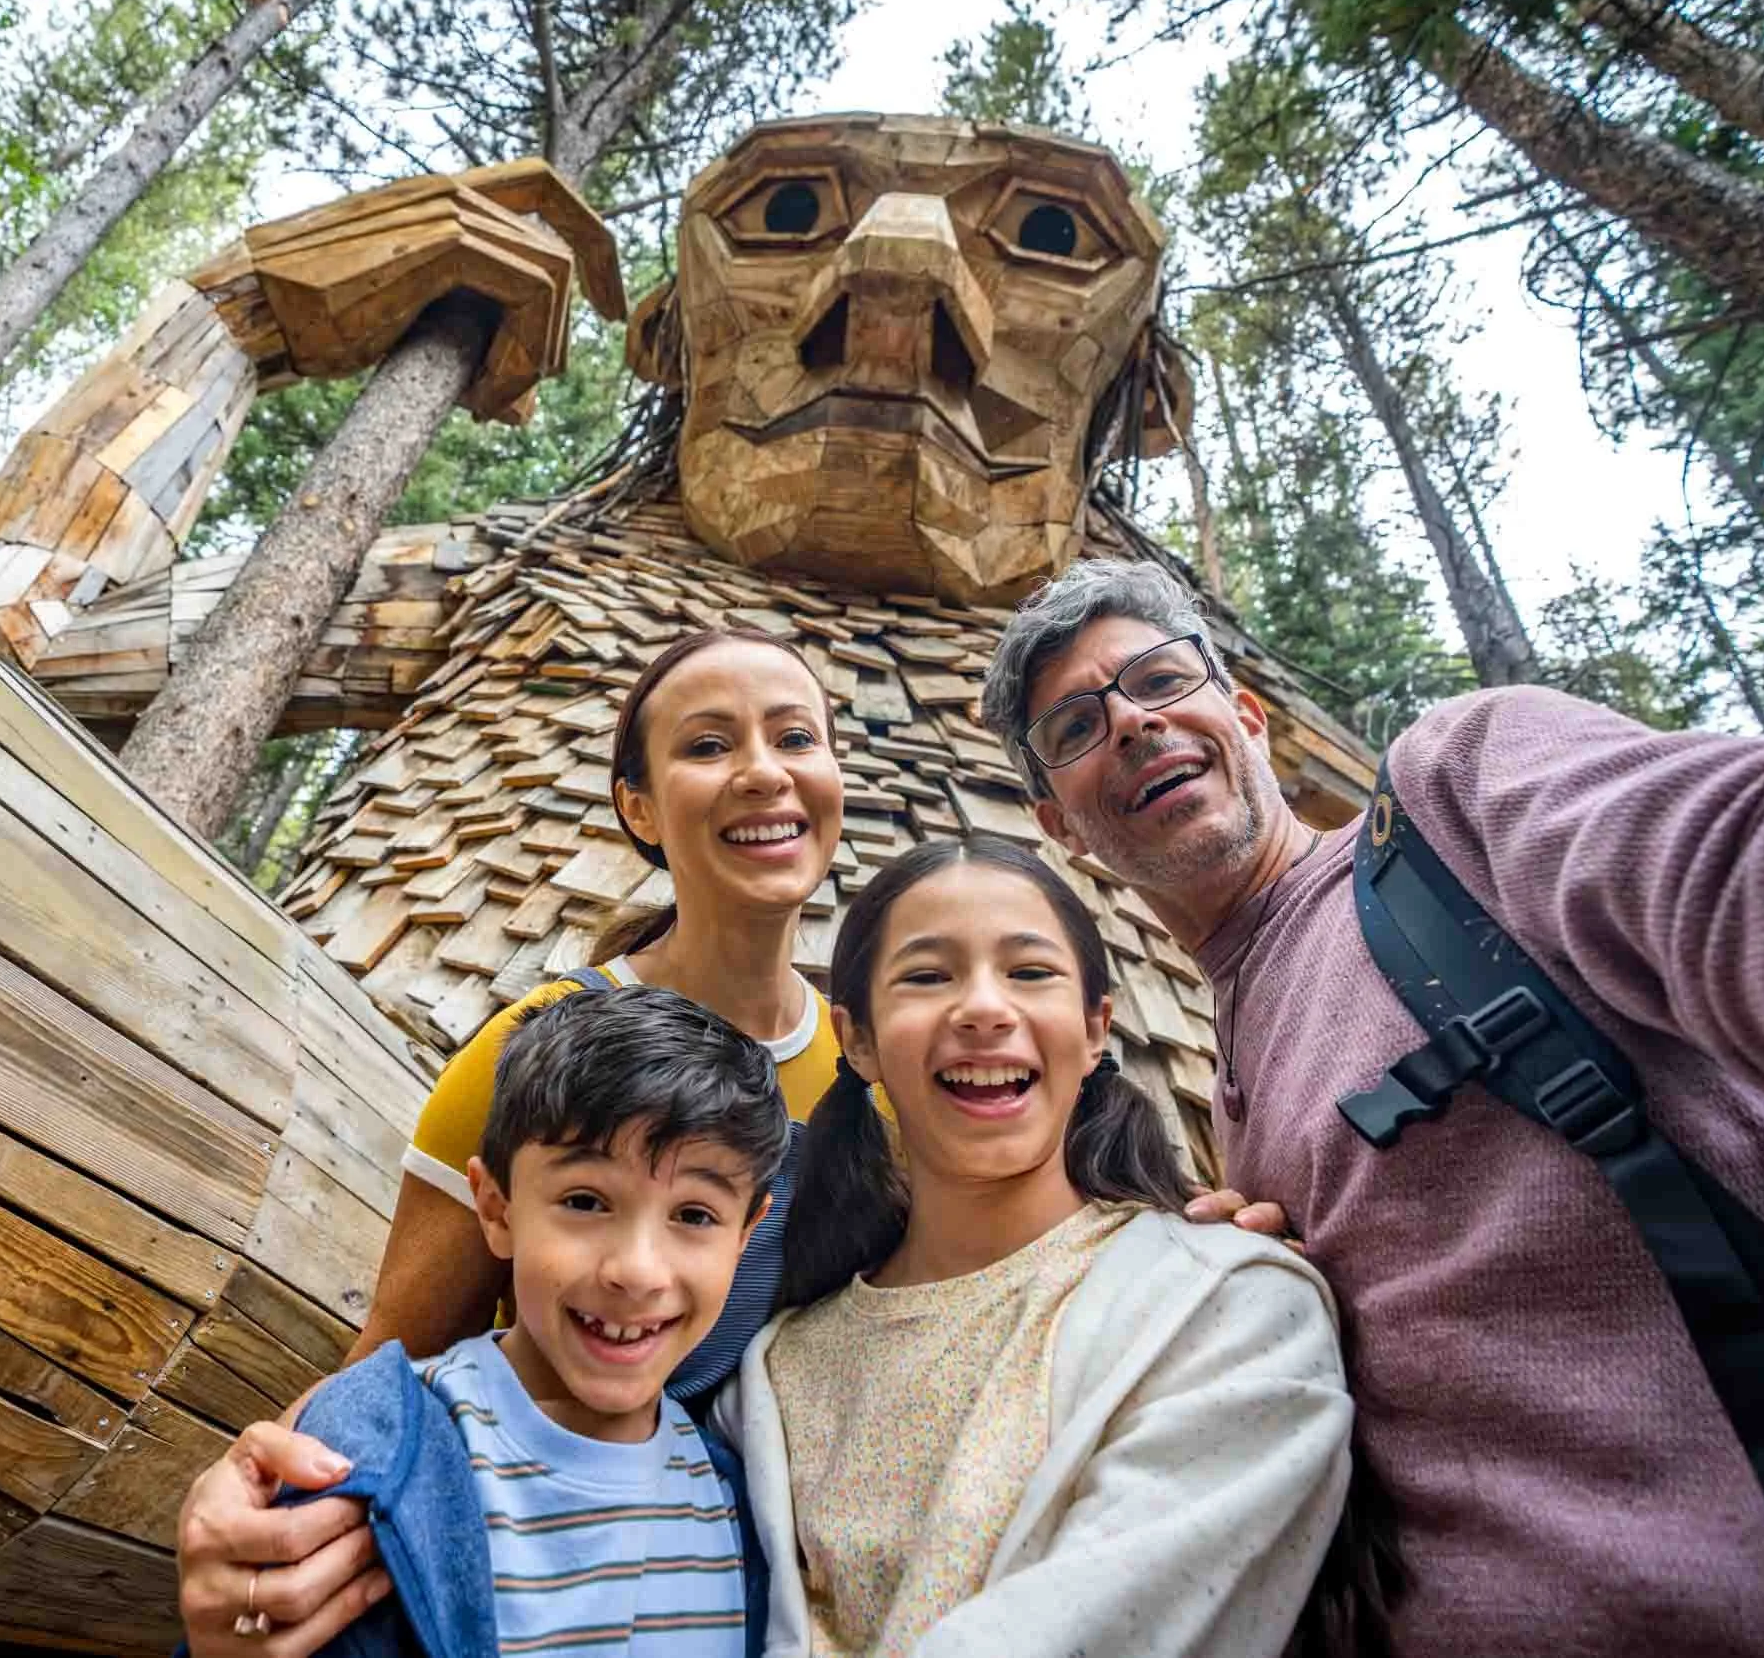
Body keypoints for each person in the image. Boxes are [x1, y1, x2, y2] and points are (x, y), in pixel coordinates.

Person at [176, 627, 1289, 1657]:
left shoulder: (887, 1084)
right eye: (709, 746)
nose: (764, 772)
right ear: (639, 804)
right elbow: (388, 1362)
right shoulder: (537, 1047)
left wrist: (1198, 1234)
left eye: (795, 738)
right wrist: (252, 1503)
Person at [979, 556, 1764, 1657]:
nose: (1133, 721)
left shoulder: (1455, 795)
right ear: (1061, 825)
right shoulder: (1235, 1084)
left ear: (1247, 716)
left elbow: (1740, 850)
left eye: (1158, 679)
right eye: (1077, 725)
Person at [713, 835, 1351, 1658]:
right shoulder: (774, 1373)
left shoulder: (1227, 1307)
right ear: (858, 1040)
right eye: (927, 976)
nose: (984, 1008)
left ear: (1094, 1030)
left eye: (1029, 971)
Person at [273, 985, 786, 1657]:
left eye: (694, 1215)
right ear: (496, 1209)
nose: (637, 1271)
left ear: (746, 1233)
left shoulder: (738, 1507)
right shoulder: (378, 1449)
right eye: (585, 1201)